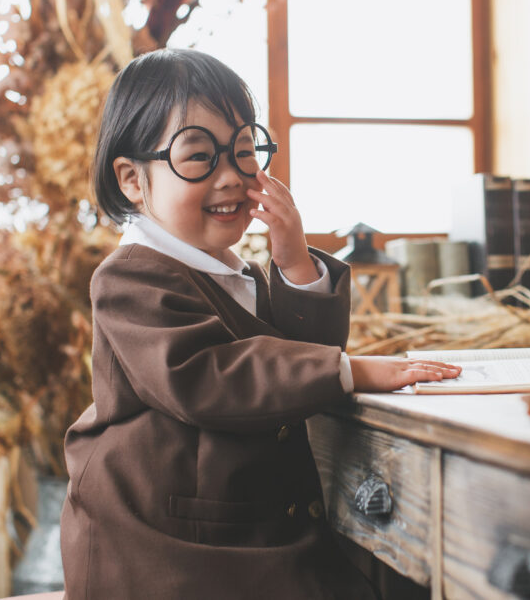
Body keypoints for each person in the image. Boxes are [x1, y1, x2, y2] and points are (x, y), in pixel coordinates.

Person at [60, 48, 460, 599]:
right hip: (163, 544)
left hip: (244, 524)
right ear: (132, 179)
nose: (231, 177)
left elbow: (296, 367)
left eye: (245, 151)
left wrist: (294, 261)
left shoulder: (234, 272)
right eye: (199, 157)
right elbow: (208, 376)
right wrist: (352, 371)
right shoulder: (130, 277)